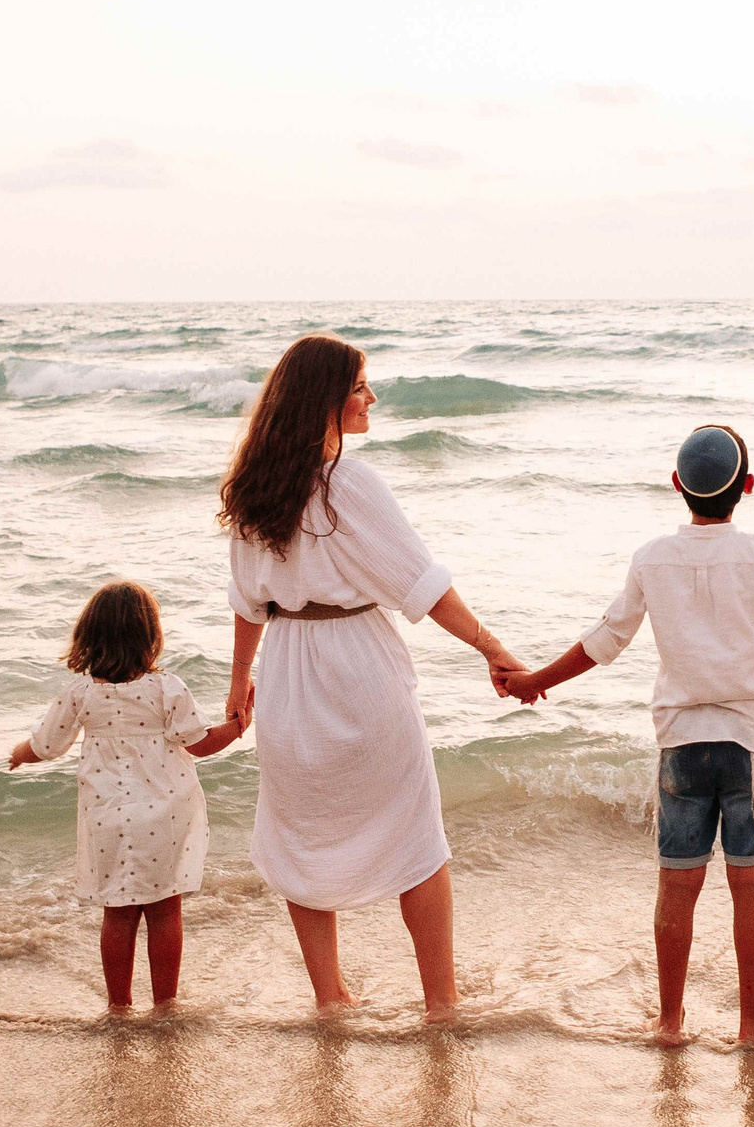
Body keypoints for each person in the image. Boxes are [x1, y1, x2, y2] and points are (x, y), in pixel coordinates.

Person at [505, 425, 754, 1046]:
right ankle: (752, 1022)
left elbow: (605, 641)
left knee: (677, 885)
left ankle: (668, 1021)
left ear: (679, 485)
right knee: (751, 886)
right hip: (751, 743)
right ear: (747, 486)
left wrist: (534, 681)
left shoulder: (651, 557)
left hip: (681, 743)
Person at [220, 333, 527, 1016]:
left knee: (301, 834)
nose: (371, 397)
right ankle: (440, 1001)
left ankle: (331, 998)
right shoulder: (348, 482)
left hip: (288, 674)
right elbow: (422, 585)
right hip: (359, 667)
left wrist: (240, 683)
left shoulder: (251, 489)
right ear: (326, 399)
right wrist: (492, 647)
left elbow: (248, 604)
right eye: (360, 386)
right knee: (417, 836)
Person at [7, 579, 247, 1009]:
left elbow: (47, 744)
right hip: (165, 815)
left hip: (107, 816)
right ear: (150, 638)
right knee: (164, 911)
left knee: (117, 913)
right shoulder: (166, 688)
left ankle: (119, 1007)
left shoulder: (81, 692)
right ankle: (165, 1005)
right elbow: (200, 742)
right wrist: (239, 723)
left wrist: (19, 754)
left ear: (89, 636)